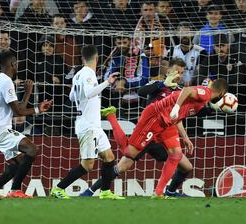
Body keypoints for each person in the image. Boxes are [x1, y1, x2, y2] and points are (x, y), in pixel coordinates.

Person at [85, 78, 228, 198]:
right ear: (222, 93)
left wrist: (185, 136)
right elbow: (186, 90)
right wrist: (175, 105)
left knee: (177, 155)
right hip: (155, 117)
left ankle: (159, 192)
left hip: (167, 124)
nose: (179, 74)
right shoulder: (204, 93)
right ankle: (111, 116)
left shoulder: (200, 102)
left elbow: (179, 115)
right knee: (128, 153)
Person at [80, 58, 198, 197]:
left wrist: (185, 137)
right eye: (177, 72)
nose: (179, 75)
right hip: (148, 133)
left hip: (166, 137)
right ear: (168, 71)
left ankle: (170, 191)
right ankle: (90, 191)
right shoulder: (158, 84)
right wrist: (161, 84)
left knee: (186, 166)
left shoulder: (180, 92)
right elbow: (142, 91)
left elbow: (177, 118)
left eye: (182, 73)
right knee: (123, 166)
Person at [50, 45, 124, 200]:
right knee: (88, 165)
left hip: (92, 124)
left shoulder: (78, 74)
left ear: (83, 58)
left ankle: (104, 192)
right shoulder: (89, 73)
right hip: (88, 126)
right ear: (96, 58)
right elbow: (90, 93)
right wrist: (107, 82)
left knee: (109, 158)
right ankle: (58, 188)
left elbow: (71, 97)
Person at [0, 51, 52, 198]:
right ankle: (15, 191)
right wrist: (29, 95)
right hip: (0, 129)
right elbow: (19, 112)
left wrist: (35, 106)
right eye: (16, 63)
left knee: (18, 162)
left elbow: (16, 110)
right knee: (32, 149)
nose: (17, 65)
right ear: (13, 64)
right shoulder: (6, 81)